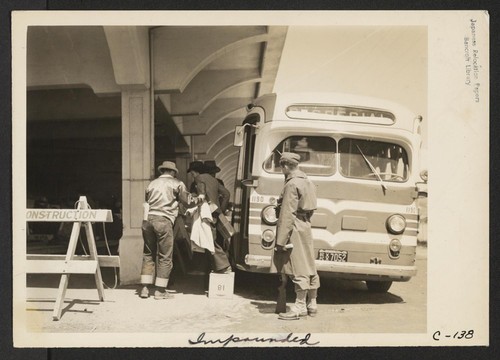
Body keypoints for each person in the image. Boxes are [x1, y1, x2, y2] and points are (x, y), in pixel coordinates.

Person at [271, 152, 320, 320]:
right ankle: (312, 304)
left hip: (294, 227)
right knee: (309, 264)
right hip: (305, 225)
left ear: (285, 166)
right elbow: (312, 208)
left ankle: (299, 306)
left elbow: (287, 214)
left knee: (297, 265)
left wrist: (280, 240)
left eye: (281, 167)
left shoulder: (291, 184)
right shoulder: (308, 181)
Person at [140, 161, 190, 300]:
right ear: (173, 172)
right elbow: (187, 201)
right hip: (164, 220)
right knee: (165, 256)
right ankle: (160, 290)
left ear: (162, 171)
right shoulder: (177, 183)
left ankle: (144, 288)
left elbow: (147, 202)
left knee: (148, 254)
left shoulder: (152, 184)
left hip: (148, 220)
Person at [187, 160, 232, 274]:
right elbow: (226, 194)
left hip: (206, 214)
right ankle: (217, 268)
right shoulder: (215, 180)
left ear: (196, 172)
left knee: (209, 240)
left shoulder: (199, 179)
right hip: (215, 214)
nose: (192, 176)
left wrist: (192, 204)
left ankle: (224, 266)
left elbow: (201, 195)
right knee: (211, 239)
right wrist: (220, 209)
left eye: (192, 173)